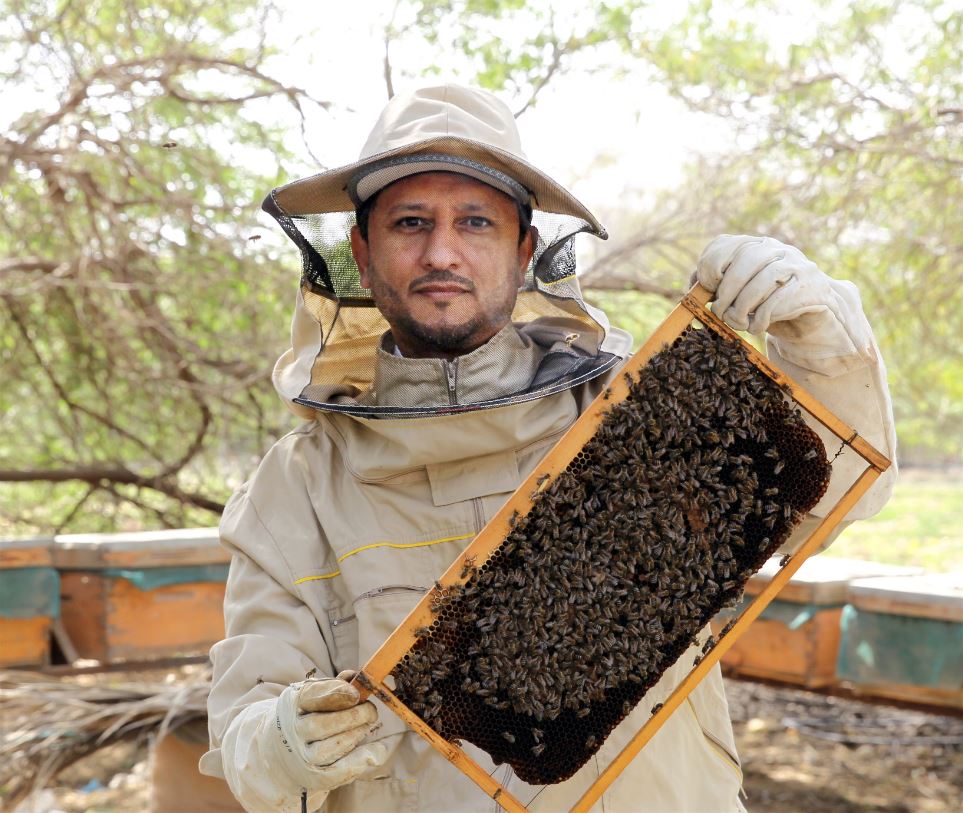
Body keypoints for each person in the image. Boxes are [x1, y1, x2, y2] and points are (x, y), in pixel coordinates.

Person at [201, 84, 897, 812]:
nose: (442, 251)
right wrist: (274, 746)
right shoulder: (295, 488)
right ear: (361, 255)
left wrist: (827, 347)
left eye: (475, 222)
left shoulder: (635, 417)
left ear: (524, 248)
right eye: (410, 222)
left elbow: (838, 493)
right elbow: (247, 720)